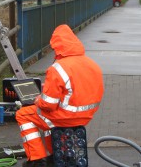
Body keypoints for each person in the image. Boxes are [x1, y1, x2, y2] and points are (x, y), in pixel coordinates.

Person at [15, 24, 104, 167]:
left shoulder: (57, 68)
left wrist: (38, 99)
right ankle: (57, 155)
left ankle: (36, 159)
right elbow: (76, 90)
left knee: (24, 114)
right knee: (49, 119)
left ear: (58, 46)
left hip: (65, 117)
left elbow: (48, 104)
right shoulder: (92, 65)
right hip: (86, 116)